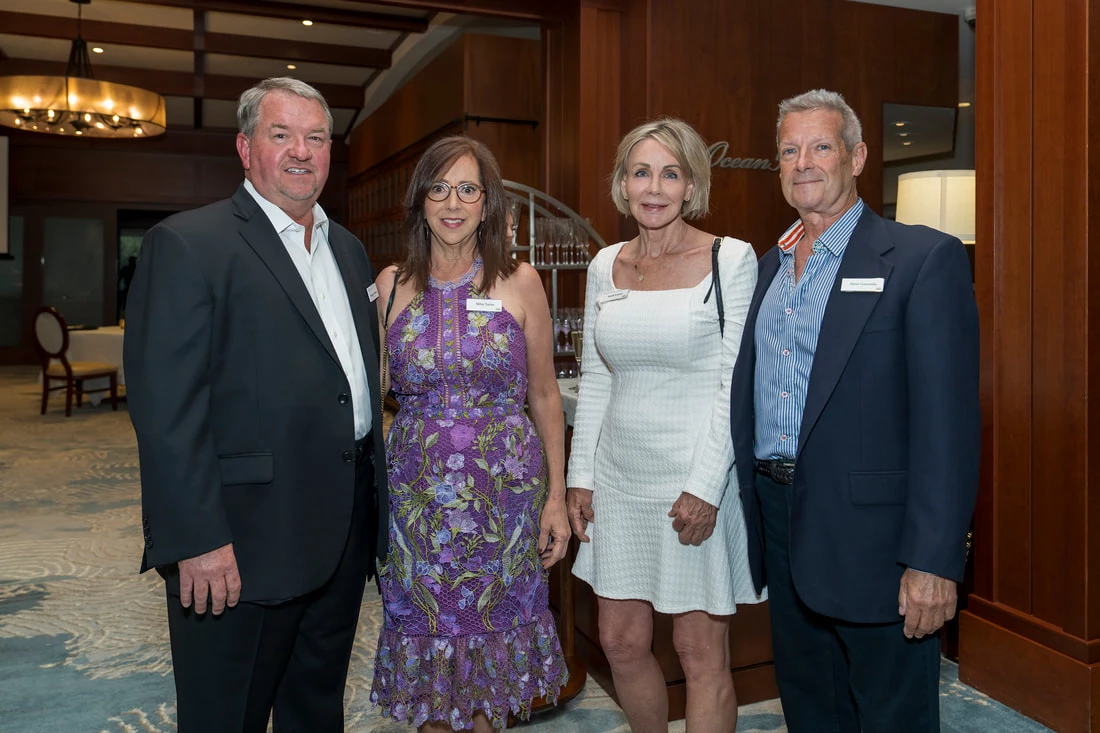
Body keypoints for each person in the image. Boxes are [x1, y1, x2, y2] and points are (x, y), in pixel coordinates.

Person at [124, 77, 387, 732]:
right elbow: (166, 412)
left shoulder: (349, 250)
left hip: (340, 534)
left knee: (315, 711)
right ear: (245, 149)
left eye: (316, 137)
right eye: (281, 134)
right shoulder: (189, 244)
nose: (301, 150)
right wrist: (197, 538)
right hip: (240, 545)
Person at [730, 89, 980, 732]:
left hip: (877, 543)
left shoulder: (921, 259)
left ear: (857, 156)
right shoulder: (767, 268)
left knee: (892, 715)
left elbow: (947, 431)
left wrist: (933, 560)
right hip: (782, 522)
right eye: (789, 150)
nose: (803, 162)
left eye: (821, 146)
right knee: (811, 708)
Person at [566, 118, 763, 732]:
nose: (654, 188)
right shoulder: (605, 264)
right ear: (622, 184)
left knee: (698, 653)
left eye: (670, 174)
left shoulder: (730, 259)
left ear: (691, 185)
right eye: (641, 172)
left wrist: (705, 487)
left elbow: (735, 384)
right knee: (620, 642)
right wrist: (580, 478)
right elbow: (597, 377)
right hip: (619, 482)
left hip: (694, 481)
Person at [369, 136, 570, 731]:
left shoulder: (520, 281)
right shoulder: (390, 285)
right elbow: (367, 393)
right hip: (417, 506)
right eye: (439, 188)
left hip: (504, 505)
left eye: (467, 189)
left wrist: (556, 498)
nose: (452, 203)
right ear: (420, 201)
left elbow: (545, 396)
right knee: (427, 650)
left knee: (490, 673)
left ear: (488, 203)